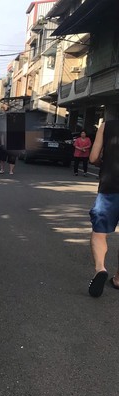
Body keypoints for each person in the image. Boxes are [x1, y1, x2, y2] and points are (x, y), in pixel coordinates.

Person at [87, 120, 119, 297]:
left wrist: (103, 161)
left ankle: (100, 268)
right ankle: (118, 278)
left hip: (109, 187)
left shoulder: (107, 125)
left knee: (99, 233)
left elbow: (92, 158)